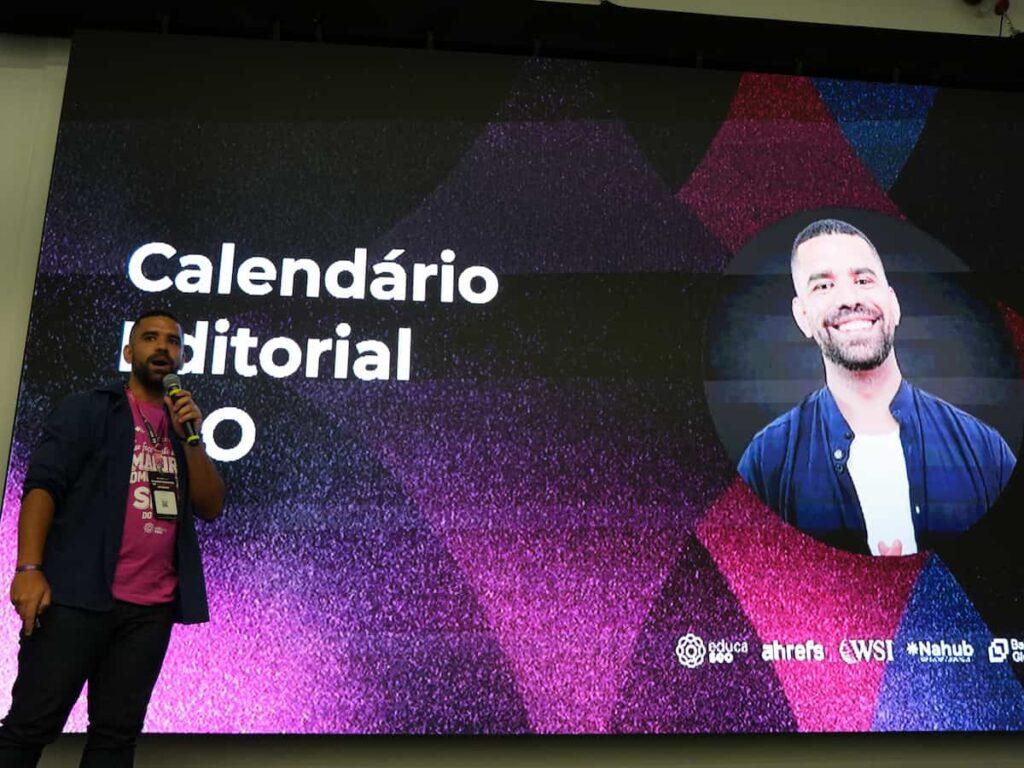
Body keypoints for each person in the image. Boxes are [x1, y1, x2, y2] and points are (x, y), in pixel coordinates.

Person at [0, 310, 224, 767]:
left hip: (149, 612)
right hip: (75, 600)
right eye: (150, 338)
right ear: (129, 352)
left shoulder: (183, 426)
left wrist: (193, 441)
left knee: (116, 739)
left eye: (173, 342)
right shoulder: (89, 408)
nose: (162, 347)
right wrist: (28, 569)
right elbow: (42, 486)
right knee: (29, 727)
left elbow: (210, 506)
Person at [738, 219, 1016, 556]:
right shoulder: (766, 462)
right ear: (802, 317)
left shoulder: (985, 451)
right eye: (823, 286)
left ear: (894, 304)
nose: (850, 298)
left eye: (863, 279)